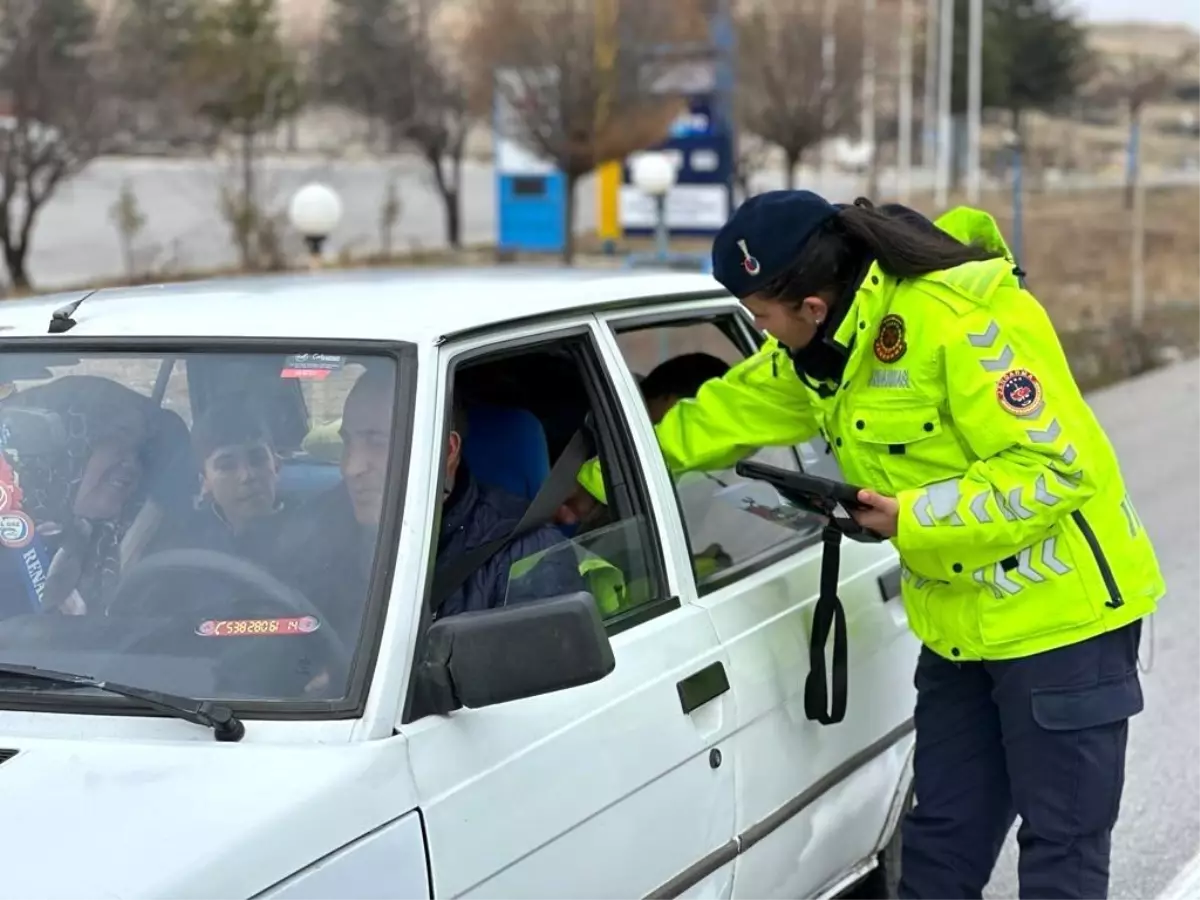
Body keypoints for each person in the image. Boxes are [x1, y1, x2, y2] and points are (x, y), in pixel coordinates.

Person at [566, 190, 1164, 899]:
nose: (759, 332)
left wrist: (910, 516)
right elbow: (718, 415)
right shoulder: (820, 357)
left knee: (1060, 852)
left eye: (760, 317)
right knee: (941, 838)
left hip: (1062, 623)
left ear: (811, 306)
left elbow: (1055, 470)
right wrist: (593, 484)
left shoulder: (964, 321)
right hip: (959, 627)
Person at [0, 376, 155, 617]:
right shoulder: (10, 543)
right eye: (117, 443)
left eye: (139, 451)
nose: (132, 463)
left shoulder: (142, 544)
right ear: (68, 453)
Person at [146, 405, 284, 563]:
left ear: (277, 466)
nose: (247, 476)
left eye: (257, 459)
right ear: (204, 481)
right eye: (226, 466)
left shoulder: (308, 531)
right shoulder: (187, 544)